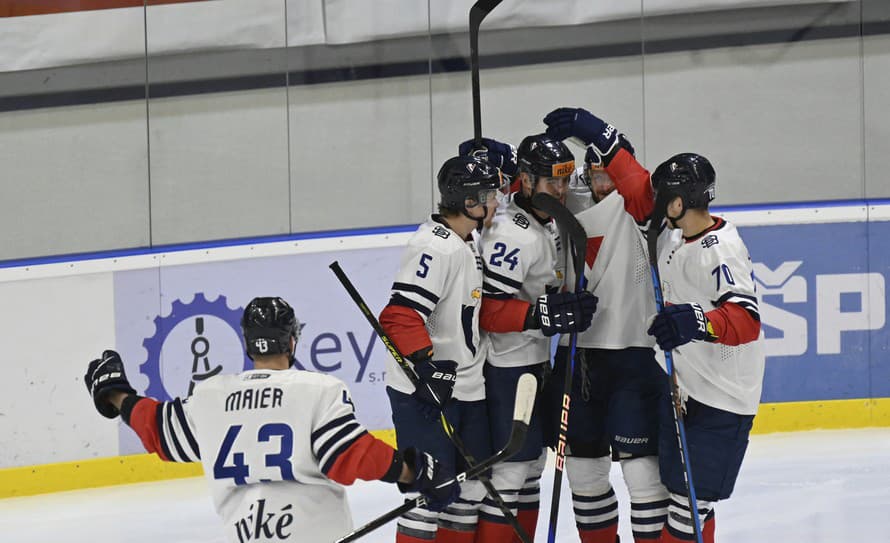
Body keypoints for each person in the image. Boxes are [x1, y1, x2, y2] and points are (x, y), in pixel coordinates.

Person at [84, 296, 460, 543]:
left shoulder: (211, 396)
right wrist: (416, 471)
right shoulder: (317, 389)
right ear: (292, 341)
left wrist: (116, 394)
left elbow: (158, 430)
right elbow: (349, 455)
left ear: (248, 344)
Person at [541, 107, 671, 542]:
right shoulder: (569, 196)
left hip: (631, 357)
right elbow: (527, 198)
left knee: (643, 478)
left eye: (609, 172)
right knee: (584, 474)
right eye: (593, 173)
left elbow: (636, 184)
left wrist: (597, 130)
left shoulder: (641, 206)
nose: (602, 183)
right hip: (577, 359)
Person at [459, 135, 598, 541]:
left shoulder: (546, 221)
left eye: (565, 180)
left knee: (532, 466)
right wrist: (543, 313)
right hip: (506, 367)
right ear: (524, 179)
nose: (561, 191)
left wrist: (560, 306)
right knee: (511, 471)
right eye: (552, 182)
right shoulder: (511, 234)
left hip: (534, 362)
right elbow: (486, 311)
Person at [378, 155, 504, 543]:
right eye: (490, 196)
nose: (497, 202)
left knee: (470, 491)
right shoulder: (435, 246)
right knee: (430, 496)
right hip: (426, 393)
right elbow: (399, 316)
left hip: (467, 385)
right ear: (470, 203)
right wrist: (426, 367)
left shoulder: (468, 243)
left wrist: (535, 315)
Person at [645, 152, 765, 543]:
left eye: (662, 196)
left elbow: (746, 320)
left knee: (688, 506)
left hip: (723, 399)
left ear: (678, 203)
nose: (656, 202)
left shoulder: (719, 249)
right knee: (685, 499)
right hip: (689, 391)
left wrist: (696, 321)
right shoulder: (678, 238)